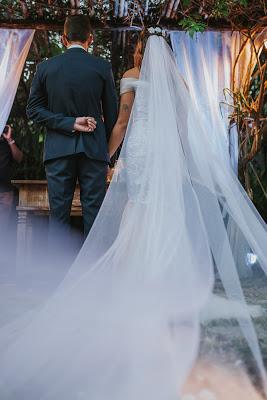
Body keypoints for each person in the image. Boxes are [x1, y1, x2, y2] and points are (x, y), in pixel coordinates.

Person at [0, 29, 267, 400]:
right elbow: (184, 124)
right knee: (163, 207)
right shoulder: (180, 82)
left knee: (136, 207)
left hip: (140, 150)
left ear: (141, 49)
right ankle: (161, 272)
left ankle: (125, 273)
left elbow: (123, 122)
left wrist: (108, 155)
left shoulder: (130, 75)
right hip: (167, 152)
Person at [26, 15, 118, 238]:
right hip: (94, 151)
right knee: (94, 215)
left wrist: (68, 123)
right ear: (91, 39)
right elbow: (112, 116)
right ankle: (92, 272)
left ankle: (57, 271)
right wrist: (108, 156)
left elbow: (33, 110)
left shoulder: (46, 68)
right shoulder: (102, 67)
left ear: (63, 38)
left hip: (58, 151)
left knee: (58, 216)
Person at [0, 125, 23, 233]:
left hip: (5, 191)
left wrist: (9, 139)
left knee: (3, 225)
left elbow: (19, 158)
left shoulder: (7, 141)